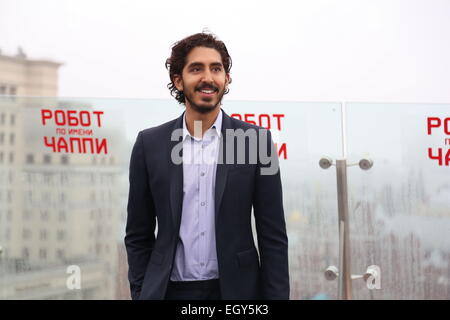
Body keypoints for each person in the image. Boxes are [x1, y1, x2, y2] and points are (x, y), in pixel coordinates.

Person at [124, 32, 289, 300]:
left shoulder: (256, 142)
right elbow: (137, 235)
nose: (208, 78)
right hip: (168, 291)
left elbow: (274, 238)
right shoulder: (149, 144)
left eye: (216, 68)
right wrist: (142, 293)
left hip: (237, 292)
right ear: (178, 80)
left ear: (227, 78)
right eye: (196, 69)